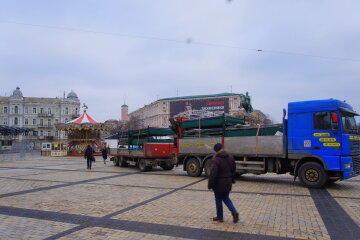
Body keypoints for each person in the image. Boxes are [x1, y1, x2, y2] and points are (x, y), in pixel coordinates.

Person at [208, 143, 239, 223]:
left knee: (218, 199)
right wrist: (232, 179)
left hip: (219, 184)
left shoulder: (216, 160)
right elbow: (233, 169)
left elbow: (213, 174)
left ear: (216, 151)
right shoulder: (231, 157)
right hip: (228, 182)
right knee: (226, 198)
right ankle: (234, 212)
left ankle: (220, 217)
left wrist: (210, 184)